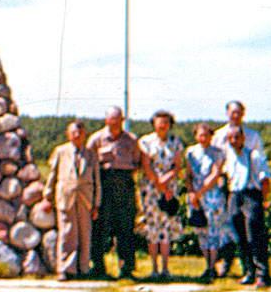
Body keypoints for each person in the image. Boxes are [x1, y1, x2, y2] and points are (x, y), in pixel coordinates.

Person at [87, 105, 157, 279]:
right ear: (106, 120)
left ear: (123, 120)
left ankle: (127, 268)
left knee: (125, 228)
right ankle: (98, 267)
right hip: (104, 185)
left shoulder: (131, 140)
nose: (115, 123)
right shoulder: (96, 139)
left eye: (118, 119)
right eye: (112, 119)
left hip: (125, 186)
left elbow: (137, 161)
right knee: (101, 229)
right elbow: (88, 161)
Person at [40, 120, 101, 281]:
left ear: (84, 134)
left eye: (80, 132)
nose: (77, 135)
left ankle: (83, 269)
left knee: (85, 235)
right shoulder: (61, 151)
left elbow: (97, 180)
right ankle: (65, 269)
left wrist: (96, 204)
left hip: (85, 199)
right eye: (74, 132)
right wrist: (48, 197)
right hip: (66, 198)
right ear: (68, 134)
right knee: (67, 234)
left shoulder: (91, 154)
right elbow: (52, 176)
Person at [211, 100, 265, 277]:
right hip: (227, 186)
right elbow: (216, 161)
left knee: (251, 230)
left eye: (239, 113)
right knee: (230, 229)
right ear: (227, 113)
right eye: (233, 112)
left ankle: (255, 271)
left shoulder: (253, 136)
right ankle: (229, 265)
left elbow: (260, 165)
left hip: (248, 188)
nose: (236, 116)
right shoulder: (219, 136)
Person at [184, 123, 236, 282]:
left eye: (206, 135)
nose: (203, 138)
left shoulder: (217, 153)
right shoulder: (191, 152)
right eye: (201, 135)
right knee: (201, 232)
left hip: (211, 196)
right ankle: (208, 265)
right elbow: (188, 174)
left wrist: (200, 192)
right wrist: (192, 193)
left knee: (213, 231)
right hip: (195, 198)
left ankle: (213, 266)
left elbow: (215, 174)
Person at [137, 110, 185, 280]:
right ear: (154, 123)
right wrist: (159, 183)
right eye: (159, 122)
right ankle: (154, 269)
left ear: (170, 124)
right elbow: (146, 165)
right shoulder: (146, 141)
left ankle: (165, 268)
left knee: (166, 228)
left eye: (165, 122)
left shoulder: (176, 142)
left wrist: (166, 182)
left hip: (169, 190)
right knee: (153, 229)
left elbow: (177, 165)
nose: (162, 125)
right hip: (151, 189)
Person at [224, 126, 271, 288]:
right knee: (239, 235)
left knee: (255, 235)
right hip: (235, 195)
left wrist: (262, 200)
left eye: (236, 138)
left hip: (251, 194)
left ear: (243, 138)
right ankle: (248, 271)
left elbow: (265, 179)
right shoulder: (230, 157)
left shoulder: (254, 156)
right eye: (230, 138)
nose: (233, 141)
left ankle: (262, 274)